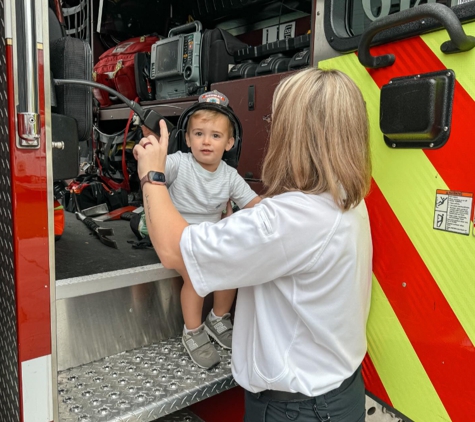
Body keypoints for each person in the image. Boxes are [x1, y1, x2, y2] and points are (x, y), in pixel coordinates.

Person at [134, 67, 372, 422]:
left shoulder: (291, 219)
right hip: (338, 394)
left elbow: (173, 250)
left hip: (295, 409)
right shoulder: (344, 197)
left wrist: (151, 174)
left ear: (294, 133)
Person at [141, 91, 261, 370]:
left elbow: (255, 204)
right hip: (177, 238)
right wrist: (151, 149)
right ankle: (192, 331)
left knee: (232, 270)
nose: (206, 141)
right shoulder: (179, 163)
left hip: (210, 240)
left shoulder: (230, 176)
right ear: (187, 138)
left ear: (230, 143)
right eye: (199, 133)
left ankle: (218, 318)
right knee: (196, 276)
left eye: (216, 136)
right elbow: (154, 168)